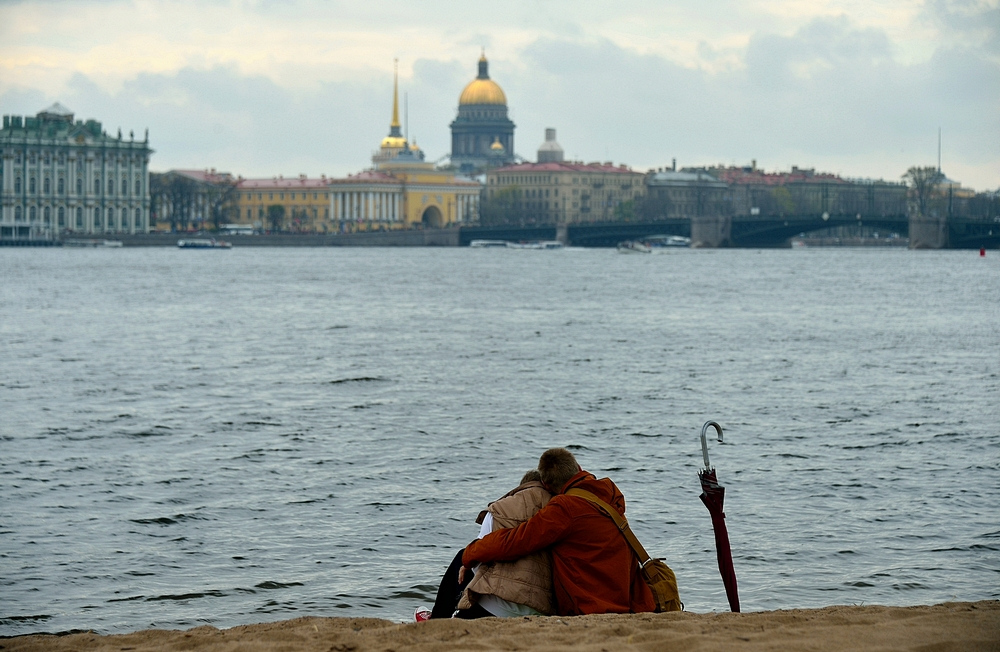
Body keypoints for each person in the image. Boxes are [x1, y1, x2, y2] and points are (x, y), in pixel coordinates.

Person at [461, 448, 655, 616]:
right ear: (578, 468)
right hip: (626, 603)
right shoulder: (607, 496)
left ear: (545, 485)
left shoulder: (566, 507)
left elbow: (517, 541)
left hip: (591, 607)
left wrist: (470, 553)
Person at [425, 470, 554, 619]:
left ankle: (437, 618)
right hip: (543, 611)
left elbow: (480, 554)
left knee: (463, 557)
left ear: (521, 488)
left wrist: (467, 562)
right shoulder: (559, 513)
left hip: (496, 607)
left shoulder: (498, 510)